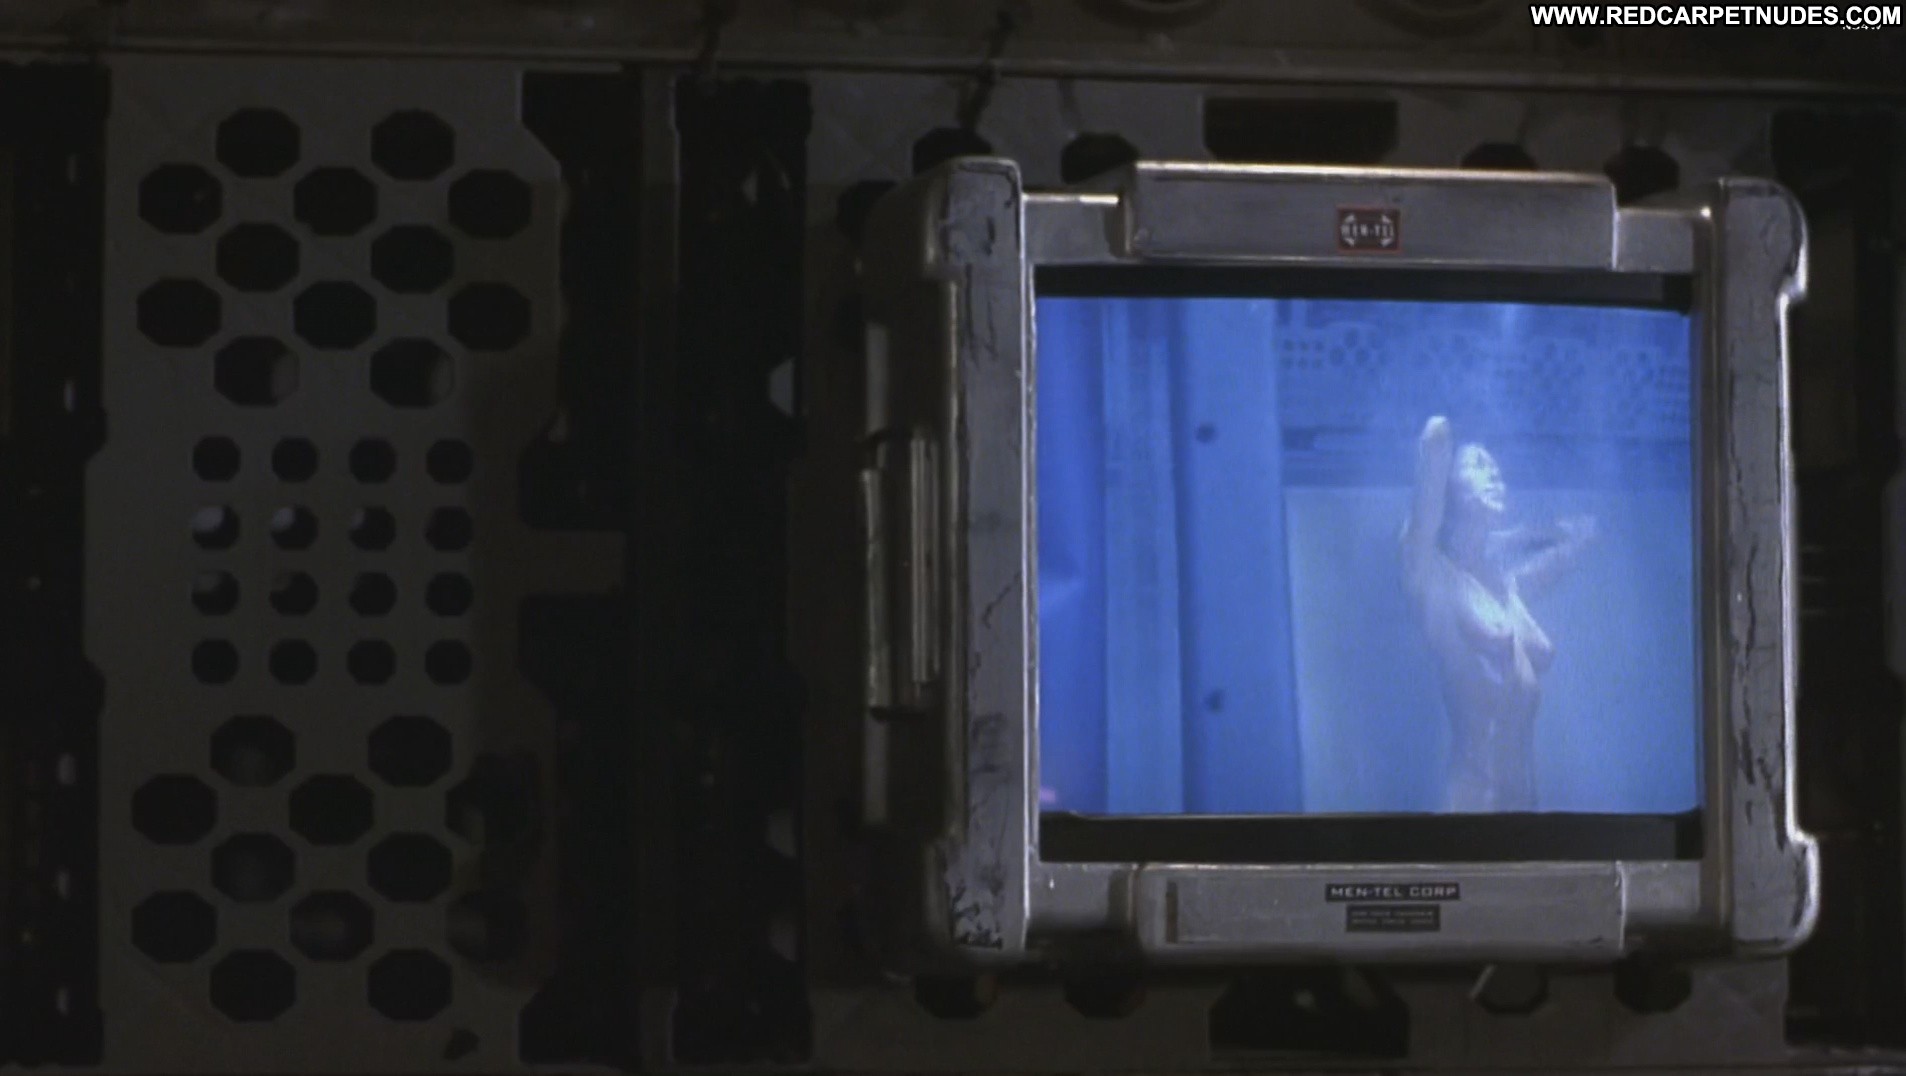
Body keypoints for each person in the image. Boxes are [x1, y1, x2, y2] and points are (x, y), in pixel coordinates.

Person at [1400, 416, 1595, 812]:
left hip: (1525, 805)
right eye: (1477, 465)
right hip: (1474, 805)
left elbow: (1583, 535)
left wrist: (1515, 535)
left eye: (1496, 468)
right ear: (1449, 488)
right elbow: (1436, 439)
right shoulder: (1434, 579)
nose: (1494, 474)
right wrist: (1445, 464)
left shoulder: (1507, 588)